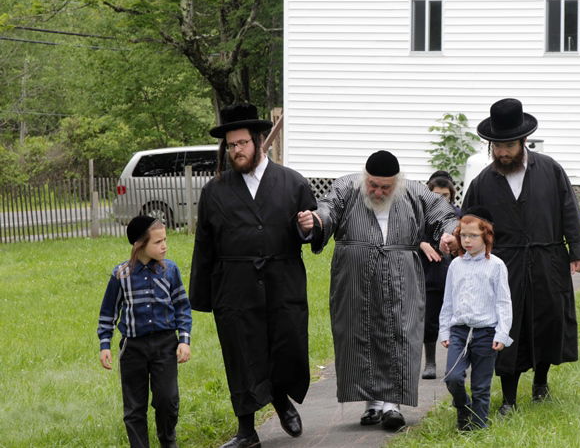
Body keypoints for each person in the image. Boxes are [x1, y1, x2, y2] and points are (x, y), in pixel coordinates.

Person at [445, 98, 580, 414]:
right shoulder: (483, 181)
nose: (502, 152)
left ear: (523, 141)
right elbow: (468, 222)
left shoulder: (550, 170)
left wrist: (578, 250)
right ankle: (509, 398)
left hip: (546, 260)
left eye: (508, 145)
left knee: (547, 322)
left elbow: (569, 210)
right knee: (507, 328)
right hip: (504, 265)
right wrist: (457, 242)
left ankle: (541, 381)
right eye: (496, 145)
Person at [190, 103, 317, 448]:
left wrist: (310, 228)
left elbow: (314, 230)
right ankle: (247, 430)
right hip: (234, 286)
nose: (236, 151)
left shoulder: (292, 183)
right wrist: (201, 297)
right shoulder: (214, 191)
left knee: (284, 346)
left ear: (259, 141)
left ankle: (281, 398)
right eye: (231, 146)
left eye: (242, 143)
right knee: (241, 355)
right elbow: (204, 245)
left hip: (283, 279)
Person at [303, 150, 458, 430]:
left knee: (400, 331)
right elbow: (326, 210)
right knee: (360, 332)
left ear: (396, 184)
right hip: (354, 277)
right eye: (372, 185)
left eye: (385, 187)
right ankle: (372, 403)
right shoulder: (346, 187)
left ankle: (392, 405)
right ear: (365, 178)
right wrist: (315, 221)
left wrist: (449, 233)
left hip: (402, 274)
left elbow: (444, 215)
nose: (377, 191)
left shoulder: (413, 192)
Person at [97, 216, 192, 448]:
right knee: (134, 408)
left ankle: (168, 441)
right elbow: (109, 311)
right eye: (158, 242)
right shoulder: (121, 275)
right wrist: (105, 344)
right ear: (140, 245)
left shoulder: (170, 271)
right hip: (133, 349)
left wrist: (184, 340)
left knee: (167, 400)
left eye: (165, 240)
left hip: (165, 345)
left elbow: (182, 306)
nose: (164, 246)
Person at [439, 207, 512, 431]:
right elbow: (448, 301)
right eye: (463, 235)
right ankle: (463, 408)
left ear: (486, 236)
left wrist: (502, 333)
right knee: (452, 377)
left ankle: (478, 429)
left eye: (473, 236)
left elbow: (503, 302)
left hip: (486, 333)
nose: (467, 240)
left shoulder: (496, 266)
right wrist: (444, 330)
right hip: (459, 332)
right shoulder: (455, 265)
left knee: (481, 386)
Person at [420, 171, 461, 379]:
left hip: (455, 275)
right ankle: (429, 362)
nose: (441, 198)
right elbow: (408, 235)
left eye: (445, 195)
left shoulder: (457, 215)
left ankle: (459, 361)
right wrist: (422, 243)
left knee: (458, 320)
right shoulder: (420, 216)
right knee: (429, 320)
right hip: (429, 274)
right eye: (437, 194)